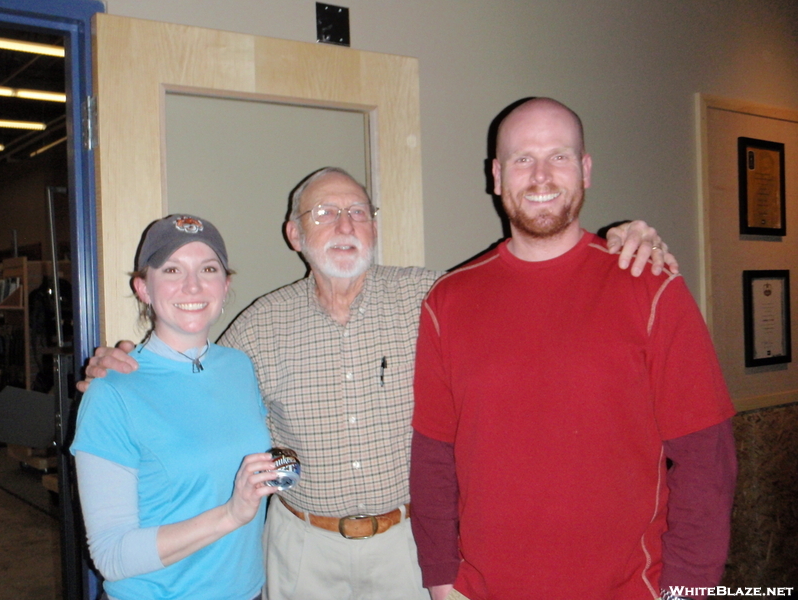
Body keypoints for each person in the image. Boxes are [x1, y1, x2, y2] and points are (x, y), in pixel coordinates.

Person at [80, 168, 678, 600]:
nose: (343, 224)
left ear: (373, 227)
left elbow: (528, 282)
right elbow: (191, 370)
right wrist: (123, 359)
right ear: (295, 234)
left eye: (358, 212)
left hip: (407, 544)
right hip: (300, 550)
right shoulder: (256, 329)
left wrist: (613, 240)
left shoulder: (436, 296)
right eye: (324, 214)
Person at [410, 98, 737, 600]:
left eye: (559, 156)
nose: (541, 176)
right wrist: (439, 579)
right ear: (497, 176)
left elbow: (706, 462)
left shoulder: (649, 286)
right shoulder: (448, 302)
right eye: (522, 159)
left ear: (584, 170)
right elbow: (434, 459)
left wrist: (688, 592)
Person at [71, 215, 280, 600]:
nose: (193, 285)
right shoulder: (110, 393)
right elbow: (111, 556)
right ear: (143, 288)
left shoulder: (239, 367)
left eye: (208, 268)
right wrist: (230, 515)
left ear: (225, 284)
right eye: (171, 269)